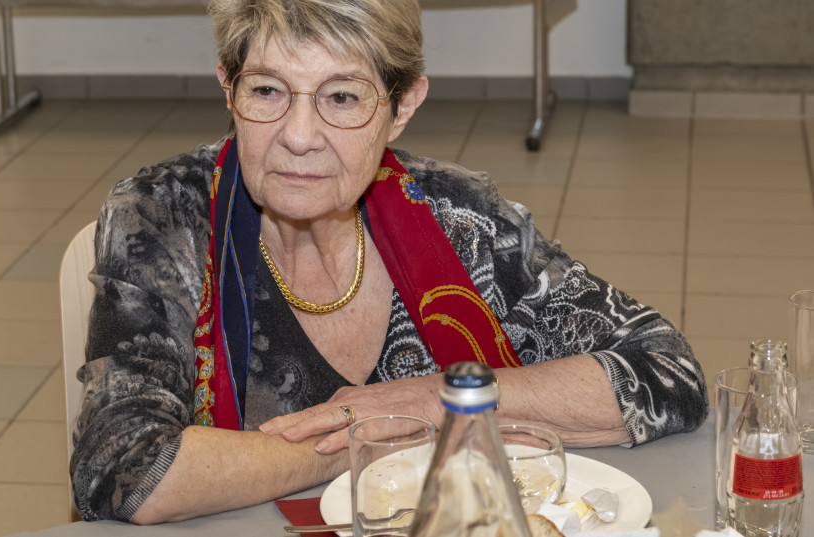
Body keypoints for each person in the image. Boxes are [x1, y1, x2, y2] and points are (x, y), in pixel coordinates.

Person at [71, 0, 709, 525]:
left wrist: (436, 401)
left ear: (402, 107)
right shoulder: (163, 217)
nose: (299, 136)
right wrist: (366, 439)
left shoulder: (461, 219)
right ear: (227, 88)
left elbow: (666, 372)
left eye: (343, 98)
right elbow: (122, 464)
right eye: (267, 90)